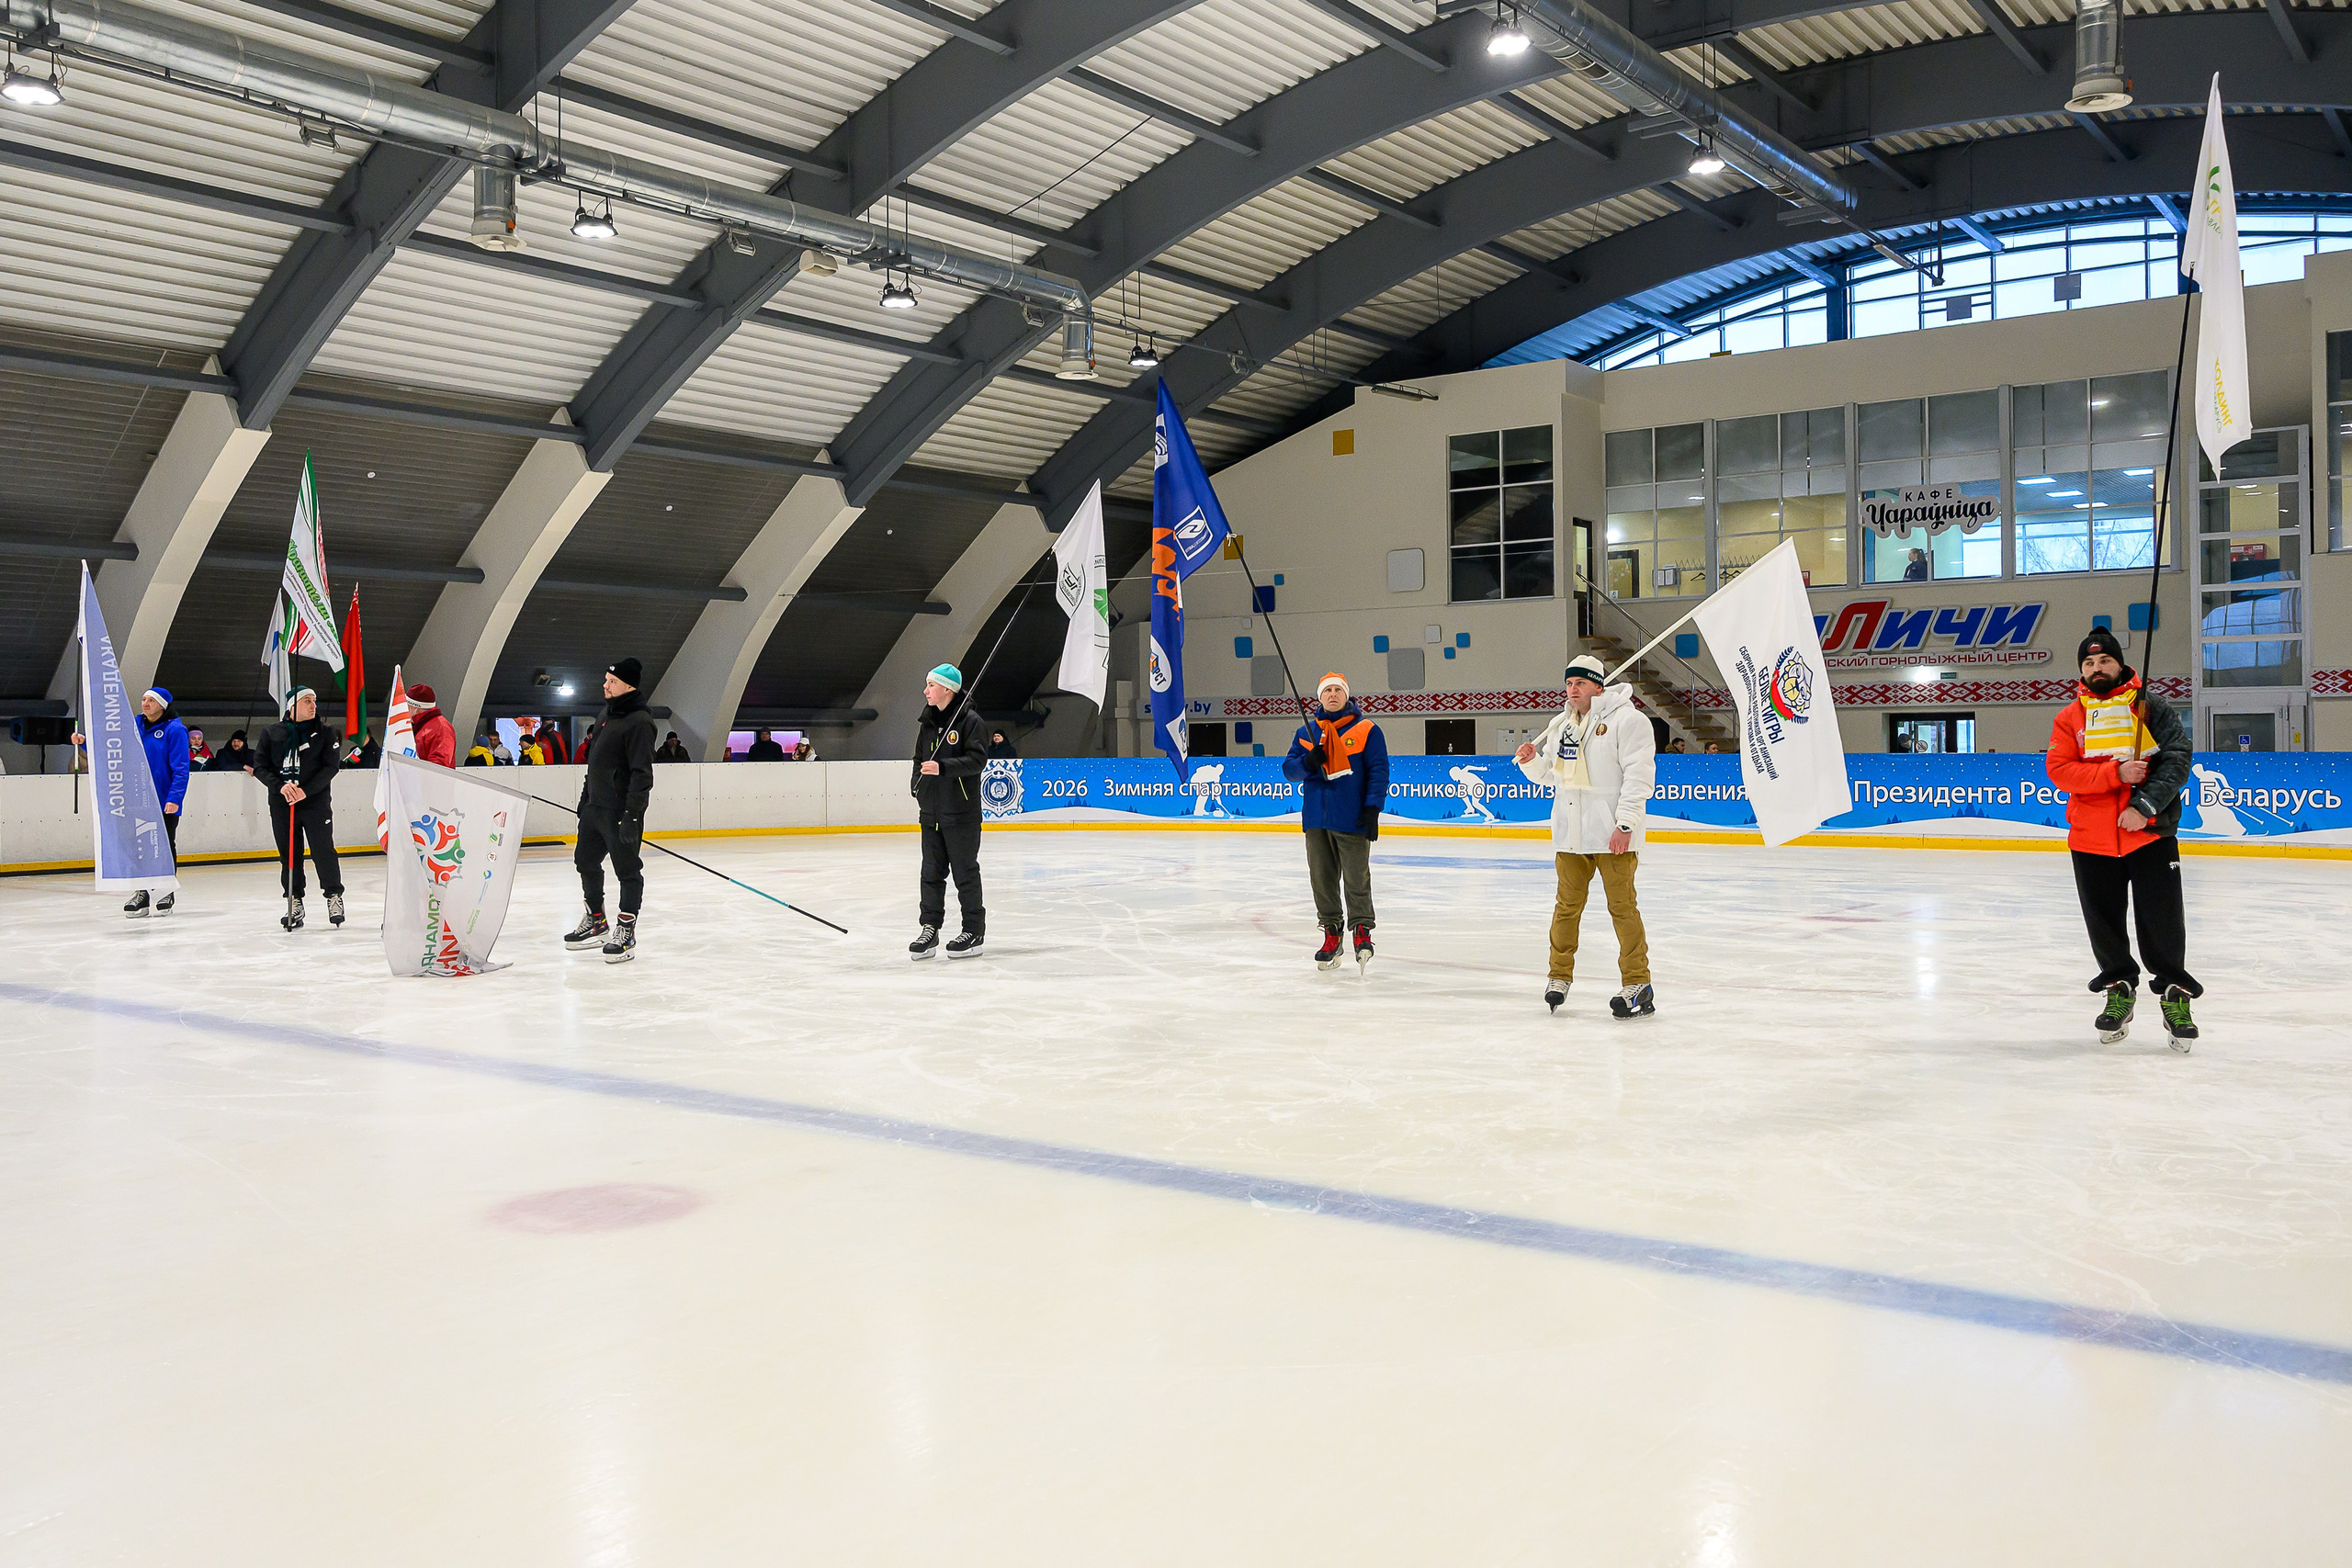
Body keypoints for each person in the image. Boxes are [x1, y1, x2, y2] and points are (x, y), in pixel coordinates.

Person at [2046, 626, 2199, 1049]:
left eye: (2105, 661)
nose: (2097, 669)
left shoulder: (2150, 707)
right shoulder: (2069, 717)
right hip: (2091, 840)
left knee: (2163, 921)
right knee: (2103, 922)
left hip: (2148, 836)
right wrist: (2114, 774)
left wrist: (2144, 807)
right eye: (2089, 663)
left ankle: (2174, 993)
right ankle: (2118, 987)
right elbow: (2059, 771)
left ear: (2120, 664)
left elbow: (2178, 759)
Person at [1515, 655, 1657, 1018]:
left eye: (1580, 683)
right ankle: (1558, 976)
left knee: (1622, 908)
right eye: (1568, 683)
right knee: (1566, 909)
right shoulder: (1561, 723)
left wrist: (1625, 825)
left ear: (1598, 686)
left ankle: (1637, 983)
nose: (1572, 689)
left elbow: (1638, 777)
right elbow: (1554, 776)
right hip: (1571, 836)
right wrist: (1533, 762)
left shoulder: (1629, 721)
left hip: (1612, 836)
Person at [1281, 671, 1390, 973]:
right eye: (1327, 690)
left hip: (1352, 817)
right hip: (1316, 819)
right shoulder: (1307, 733)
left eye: (1337, 690)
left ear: (1346, 695)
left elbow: (1378, 772)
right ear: (1320, 697)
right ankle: (1331, 933)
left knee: (1357, 879)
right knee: (1322, 880)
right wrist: (1307, 762)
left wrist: (1372, 810)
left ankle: (1362, 932)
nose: (1332, 695)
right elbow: (1289, 770)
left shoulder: (1367, 730)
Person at [566, 658, 657, 963]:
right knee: (585, 862)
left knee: (628, 871)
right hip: (594, 807)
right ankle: (596, 920)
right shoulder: (606, 713)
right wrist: (585, 797)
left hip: (620, 810)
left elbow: (641, 773)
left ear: (628, 686)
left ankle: (626, 930)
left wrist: (633, 815)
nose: (605, 685)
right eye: (606, 679)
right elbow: (594, 762)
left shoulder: (640, 722)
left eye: (612, 681)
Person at [76, 686, 191, 917]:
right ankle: (142, 893)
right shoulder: (134, 725)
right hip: (135, 799)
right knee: (138, 846)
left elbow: (181, 768)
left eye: (151, 700)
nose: (145, 703)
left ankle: (165, 889)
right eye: (144, 699)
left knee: (164, 846)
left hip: (162, 800)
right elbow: (111, 749)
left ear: (162, 705)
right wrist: (84, 742)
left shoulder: (175, 730)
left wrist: (174, 798)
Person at [908, 663, 989, 959]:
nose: (926, 690)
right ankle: (930, 928)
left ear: (947, 689)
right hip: (931, 814)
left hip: (961, 814)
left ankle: (973, 930)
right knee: (930, 873)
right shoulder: (927, 723)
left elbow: (977, 760)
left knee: (965, 873)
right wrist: (918, 789)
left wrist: (943, 768)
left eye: (931, 685)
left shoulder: (970, 721)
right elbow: (918, 760)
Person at [254, 687, 345, 930]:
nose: (313, 705)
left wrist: (306, 790)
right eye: (307, 701)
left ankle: (334, 896)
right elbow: (260, 767)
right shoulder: (272, 733)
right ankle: (294, 899)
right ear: (292, 706)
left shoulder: (326, 733)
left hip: (315, 803)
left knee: (323, 850)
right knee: (290, 854)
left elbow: (330, 767)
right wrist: (281, 787)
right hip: (283, 804)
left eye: (314, 700)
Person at [408, 684, 456, 768]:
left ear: (416, 708)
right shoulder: (422, 726)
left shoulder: (440, 728)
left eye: (407, 706)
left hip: (431, 780)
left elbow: (440, 765)